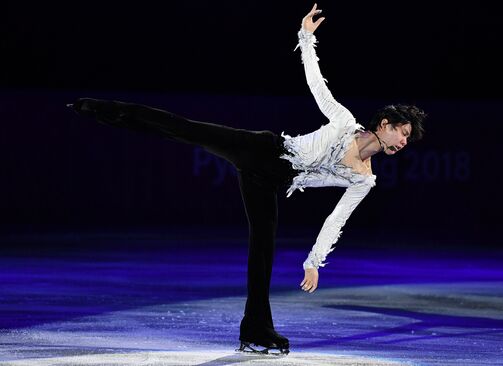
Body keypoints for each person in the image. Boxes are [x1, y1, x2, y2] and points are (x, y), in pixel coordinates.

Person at [68, 3, 426, 356]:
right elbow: (316, 84)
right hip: (263, 150)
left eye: (408, 139)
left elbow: (337, 218)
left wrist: (313, 262)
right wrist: (305, 37)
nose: (404, 142)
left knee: (263, 250)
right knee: (185, 129)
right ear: (385, 125)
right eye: (403, 134)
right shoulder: (345, 123)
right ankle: (100, 108)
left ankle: (256, 331)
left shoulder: (365, 180)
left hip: (269, 182)